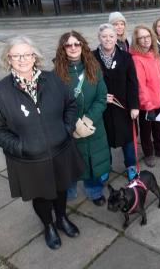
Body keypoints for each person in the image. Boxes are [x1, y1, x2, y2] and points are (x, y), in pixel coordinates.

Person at [0, 36, 84, 250]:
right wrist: (20, 146)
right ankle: (48, 225)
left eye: (27, 54)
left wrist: (66, 129)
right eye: (16, 55)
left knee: (61, 189)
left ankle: (62, 218)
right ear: (8, 59)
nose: (22, 59)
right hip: (29, 159)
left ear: (35, 56)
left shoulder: (53, 79)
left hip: (60, 150)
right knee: (41, 195)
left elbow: (71, 105)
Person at [53, 31, 111, 207]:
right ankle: (69, 192)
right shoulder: (56, 73)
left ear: (82, 46)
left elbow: (102, 98)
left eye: (76, 44)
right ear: (63, 48)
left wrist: (88, 119)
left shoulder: (94, 67)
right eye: (68, 45)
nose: (73, 48)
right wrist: (74, 123)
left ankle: (94, 192)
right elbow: (54, 103)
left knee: (93, 161)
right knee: (70, 162)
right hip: (69, 127)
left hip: (93, 125)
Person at [93, 24, 140, 181]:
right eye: (104, 36)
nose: (108, 39)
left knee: (127, 138)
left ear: (116, 38)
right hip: (102, 108)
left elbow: (133, 83)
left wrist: (134, 106)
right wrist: (98, 96)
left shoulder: (126, 57)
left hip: (123, 106)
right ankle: (106, 166)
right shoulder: (92, 58)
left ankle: (131, 166)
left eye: (111, 36)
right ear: (99, 38)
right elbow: (89, 83)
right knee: (103, 138)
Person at [129, 25, 160, 167]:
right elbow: (141, 85)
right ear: (136, 40)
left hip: (159, 100)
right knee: (146, 130)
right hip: (146, 104)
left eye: (147, 36)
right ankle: (148, 153)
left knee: (159, 127)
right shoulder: (136, 59)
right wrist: (148, 106)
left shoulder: (154, 53)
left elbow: (159, 74)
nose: (145, 40)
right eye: (141, 37)